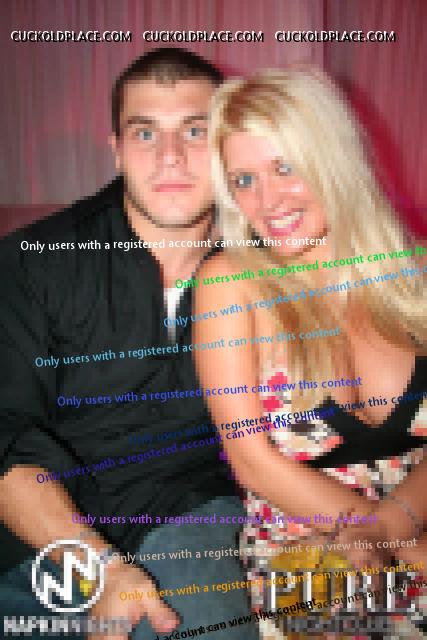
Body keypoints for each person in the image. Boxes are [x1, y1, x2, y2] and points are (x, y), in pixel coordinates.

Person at [0, 48, 258, 640]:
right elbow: (4, 433)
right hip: (40, 530)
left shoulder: (264, 262)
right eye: (146, 133)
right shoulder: (33, 264)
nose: (170, 156)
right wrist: (99, 565)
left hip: (187, 512)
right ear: (116, 149)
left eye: (195, 131)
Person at [194, 67, 427, 638]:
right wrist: (400, 546)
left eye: (285, 167)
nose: (268, 201)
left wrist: (397, 531)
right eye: (244, 180)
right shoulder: (230, 283)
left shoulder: (414, 273)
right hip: (310, 560)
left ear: (332, 159)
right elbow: (252, 460)